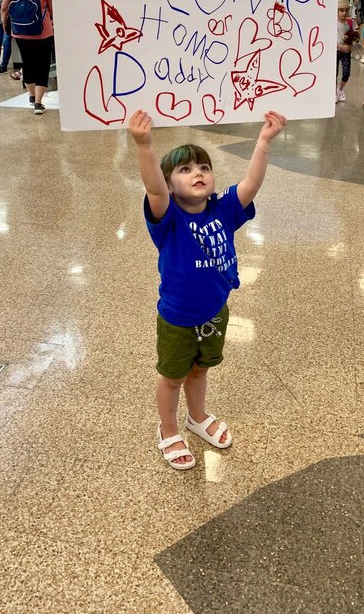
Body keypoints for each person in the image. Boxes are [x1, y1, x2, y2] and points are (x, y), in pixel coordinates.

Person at [129, 109, 287, 470]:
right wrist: (144, 146)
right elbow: (153, 186)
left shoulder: (223, 210)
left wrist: (263, 141)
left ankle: (196, 417)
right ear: (171, 186)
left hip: (215, 311)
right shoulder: (168, 218)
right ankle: (168, 428)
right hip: (177, 319)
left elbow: (251, 184)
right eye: (184, 170)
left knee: (200, 370)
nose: (197, 173)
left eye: (203, 167)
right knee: (172, 378)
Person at [0, 0, 53, 114]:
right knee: (42, 64)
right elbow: (52, 11)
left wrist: (6, 26)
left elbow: (4, 8)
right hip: (42, 32)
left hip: (20, 32)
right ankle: (38, 103)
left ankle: (31, 95)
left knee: (27, 63)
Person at [336, 0, 358, 103]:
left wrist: (351, 43)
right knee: (333, 73)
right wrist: (341, 46)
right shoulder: (332, 23)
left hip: (347, 52)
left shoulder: (350, 22)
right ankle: (333, 92)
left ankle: (340, 90)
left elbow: (356, 36)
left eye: (346, 10)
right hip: (336, 51)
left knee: (346, 72)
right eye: (341, 10)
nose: (344, 13)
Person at [6, 0, 25, 81]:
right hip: (35, 24)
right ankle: (24, 72)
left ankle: (24, 73)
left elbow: (4, 5)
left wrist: (4, 21)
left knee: (25, 52)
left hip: (18, 23)